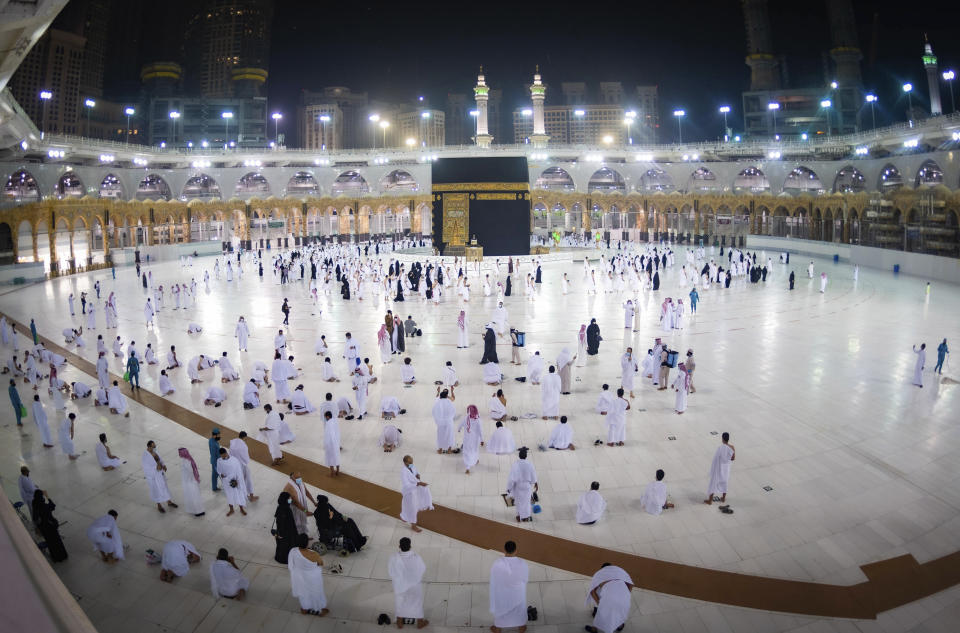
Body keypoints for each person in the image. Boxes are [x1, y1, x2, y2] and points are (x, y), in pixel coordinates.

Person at [489, 541, 529, 633]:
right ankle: (521, 628)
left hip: (502, 594)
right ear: (516, 551)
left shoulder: (497, 563)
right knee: (519, 611)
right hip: (517, 594)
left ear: (504, 550)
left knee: (501, 612)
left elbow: (494, 579)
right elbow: (525, 579)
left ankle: (498, 629)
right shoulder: (522, 563)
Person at [389, 537, 428, 629]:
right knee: (416, 603)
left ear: (399, 546)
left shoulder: (394, 558)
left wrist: (399, 581)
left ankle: (399, 622)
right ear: (410, 546)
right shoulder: (416, 557)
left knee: (400, 603)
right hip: (414, 586)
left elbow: (391, 572)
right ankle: (420, 623)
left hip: (400, 586)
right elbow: (422, 569)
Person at [584, 564, 635, 633]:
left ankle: (594, 629)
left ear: (602, 569)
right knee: (619, 613)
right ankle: (619, 626)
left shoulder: (599, 574)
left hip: (609, 599)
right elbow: (631, 584)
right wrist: (625, 595)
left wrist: (600, 604)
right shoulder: (621, 572)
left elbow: (592, 592)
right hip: (625, 598)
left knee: (601, 615)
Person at [288, 539, 329, 616]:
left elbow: (291, 565)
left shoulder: (293, 551)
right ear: (307, 544)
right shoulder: (314, 554)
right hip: (312, 578)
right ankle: (318, 610)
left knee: (304, 593)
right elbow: (321, 563)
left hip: (300, 577)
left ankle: (305, 608)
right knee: (315, 593)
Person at [142, 441, 178, 513]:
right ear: (149, 447)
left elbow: (159, 459)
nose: (155, 448)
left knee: (164, 487)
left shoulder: (155, 452)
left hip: (160, 474)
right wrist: (155, 468)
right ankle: (159, 506)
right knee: (156, 491)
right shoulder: (145, 456)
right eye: (153, 446)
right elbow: (146, 468)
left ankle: (169, 502)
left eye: (155, 446)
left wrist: (163, 465)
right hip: (153, 477)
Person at [400, 455, 432, 532]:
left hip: (415, 490)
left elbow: (416, 474)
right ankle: (413, 526)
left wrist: (418, 476)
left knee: (409, 507)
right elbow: (406, 485)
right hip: (409, 492)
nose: (411, 464)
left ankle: (404, 516)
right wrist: (419, 483)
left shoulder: (412, 466)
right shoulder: (403, 472)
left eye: (412, 462)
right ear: (404, 462)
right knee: (413, 508)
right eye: (409, 462)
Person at [33, 489, 67, 562]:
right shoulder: (44, 506)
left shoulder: (35, 505)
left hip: (44, 528)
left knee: (50, 543)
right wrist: (47, 496)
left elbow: (35, 518)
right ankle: (62, 556)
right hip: (51, 526)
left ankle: (55, 557)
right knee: (57, 541)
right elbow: (53, 506)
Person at [506, 447, 538, 522]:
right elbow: (533, 475)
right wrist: (536, 483)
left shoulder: (515, 465)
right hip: (527, 486)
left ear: (519, 456)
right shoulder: (530, 464)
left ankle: (519, 516)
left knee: (519, 502)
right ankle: (526, 517)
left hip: (518, 486)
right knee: (526, 502)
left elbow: (511, 478)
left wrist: (509, 488)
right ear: (526, 456)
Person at [704, 432, 735, 508]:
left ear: (722, 438)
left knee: (714, 482)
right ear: (728, 439)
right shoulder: (732, 447)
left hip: (719, 468)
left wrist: (713, 468)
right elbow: (733, 458)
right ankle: (723, 498)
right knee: (725, 482)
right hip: (726, 468)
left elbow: (715, 459)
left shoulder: (720, 448)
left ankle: (710, 500)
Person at [228, 432, 258, 502]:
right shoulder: (243, 445)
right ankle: (251, 496)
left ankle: (243, 495)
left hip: (235, 465)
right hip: (242, 465)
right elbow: (246, 458)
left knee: (240, 480)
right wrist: (246, 462)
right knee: (248, 480)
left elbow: (230, 454)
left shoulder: (233, 442)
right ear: (245, 437)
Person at [218, 447, 249, 516]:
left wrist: (238, 480)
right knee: (229, 496)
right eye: (222, 456)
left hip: (235, 481)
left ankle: (241, 509)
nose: (223, 457)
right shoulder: (219, 461)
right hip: (227, 482)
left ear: (226, 453)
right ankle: (231, 510)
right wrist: (221, 474)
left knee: (239, 495)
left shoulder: (234, 460)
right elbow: (219, 470)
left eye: (224, 455)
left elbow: (238, 471)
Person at [273, 491, 300, 563]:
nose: (290, 499)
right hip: (285, 532)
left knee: (285, 545)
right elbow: (281, 522)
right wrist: (281, 534)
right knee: (286, 546)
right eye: (289, 498)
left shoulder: (282, 507)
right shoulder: (284, 509)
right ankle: (284, 559)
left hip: (288, 530)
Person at [458, 404, 484, 474]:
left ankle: (468, 466)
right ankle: (474, 461)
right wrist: (482, 440)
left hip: (467, 439)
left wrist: (459, 429)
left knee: (467, 451)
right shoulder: (478, 420)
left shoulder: (466, 418)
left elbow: (460, 424)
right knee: (474, 450)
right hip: (475, 439)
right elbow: (481, 431)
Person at [432, 387, 457, 454]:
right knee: (449, 435)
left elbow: (434, 412)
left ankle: (440, 449)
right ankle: (449, 450)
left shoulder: (437, 402)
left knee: (440, 435)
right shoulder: (449, 401)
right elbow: (453, 411)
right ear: (446, 396)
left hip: (440, 423)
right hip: (449, 422)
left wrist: (438, 420)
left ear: (440, 396)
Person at [323, 410, 341, 477]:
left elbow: (328, 435)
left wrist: (325, 444)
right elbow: (337, 432)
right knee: (336, 456)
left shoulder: (328, 424)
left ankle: (332, 472)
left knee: (330, 458)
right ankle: (338, 471)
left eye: (325, 417)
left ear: (327, 417)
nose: (325, 418)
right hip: (336, 443)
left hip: (330, 444)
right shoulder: (335, 421)